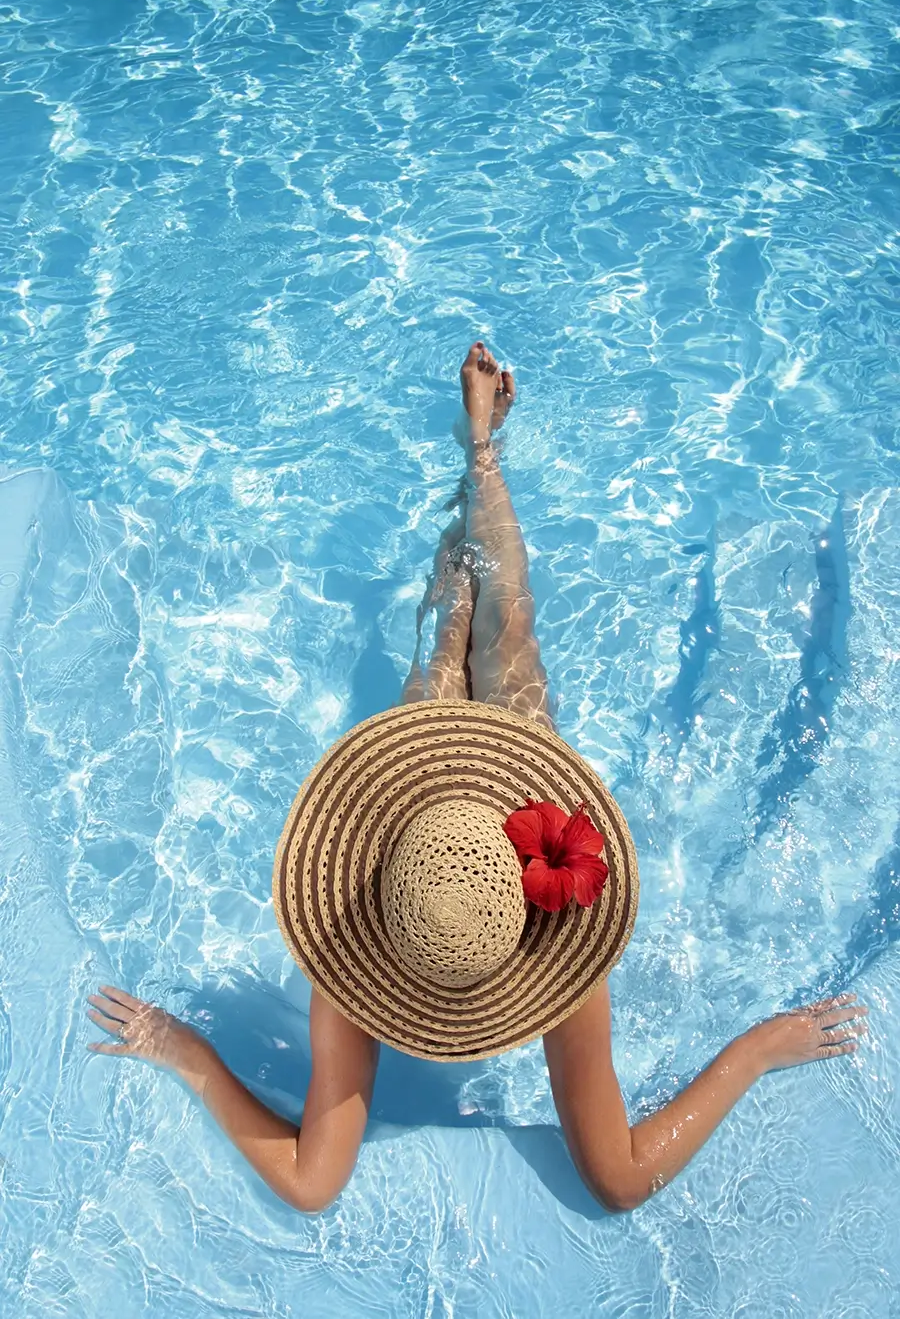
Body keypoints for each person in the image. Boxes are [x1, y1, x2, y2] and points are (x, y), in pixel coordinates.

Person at [87, 342, 867, 1215]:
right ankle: (482, 455)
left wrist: (188, 1051)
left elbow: (314, 1182)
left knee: (467, 630)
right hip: (468, 816)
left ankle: (482, 458)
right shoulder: (543, 939)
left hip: (434, 821)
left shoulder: (359, 952)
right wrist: (753, 1051)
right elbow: (618, 1179)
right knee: (494, 632)